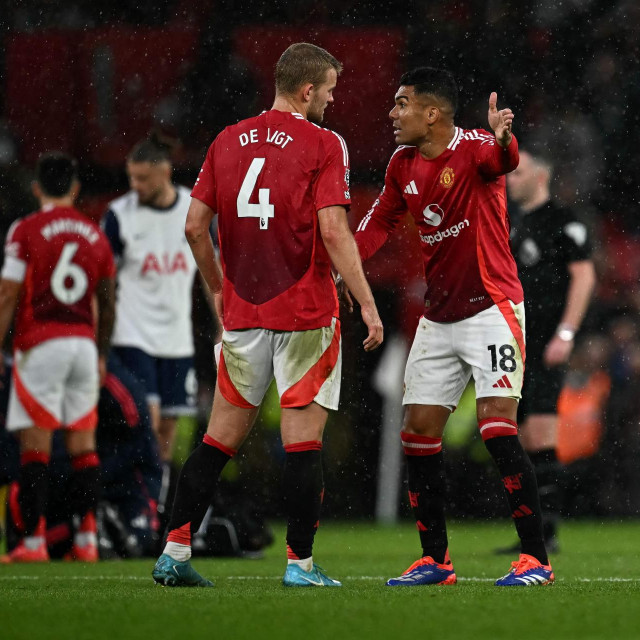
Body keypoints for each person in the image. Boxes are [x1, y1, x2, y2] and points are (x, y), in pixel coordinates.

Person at [152, 42, 383, 588]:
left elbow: (192, 227)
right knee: (303, 444)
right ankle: (299, 565)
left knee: (216, 442)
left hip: (243, 313)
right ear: (307, 89)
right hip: (304, 311)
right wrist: (367, 302)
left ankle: (174, 554)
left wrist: (218, 289)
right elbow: (332, 230)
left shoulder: (226, 139)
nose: (330, 98)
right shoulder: (325, 143)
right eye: (328, 89)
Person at [353, 67, 553, 586]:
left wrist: (507, 139)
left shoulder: (476, 147)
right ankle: (436, 561)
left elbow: (501, 159)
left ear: (431, 112)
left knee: (497, 428)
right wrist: (341, 265)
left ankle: (535, 559)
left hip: (492, 308)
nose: (393, 114)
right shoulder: (402, 164)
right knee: (418, 433)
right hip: (438, 318)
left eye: (402, 104)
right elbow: (378, 223)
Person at [0, 152, 115, 563]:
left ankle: (32, 543)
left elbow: (8, 293)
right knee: (84, 447)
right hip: (84, 345)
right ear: (75, 188)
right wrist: (101, 353)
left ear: (36, 188)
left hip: (41, 344)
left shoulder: (25, 229)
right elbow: (107, 301)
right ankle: (87, 540)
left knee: (36, 449)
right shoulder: (94, 233)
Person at [102, 136, 200, 529]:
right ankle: (135, 509)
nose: (136, 187)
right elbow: (102, 277)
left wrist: (223, 324)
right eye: (132, 178)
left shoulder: (193, 209)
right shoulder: (119, 215)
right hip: (133, 334)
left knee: (168, 429)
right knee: (148, 421)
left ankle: (153, 510)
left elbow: (212, 270)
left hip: (176, 338)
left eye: (143, 178)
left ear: (165, 171)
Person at [500, 150, 595, 552]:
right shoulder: (508, 221)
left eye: (517, 173)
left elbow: (584, 276)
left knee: (540, 430)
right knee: (516, 434)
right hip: (511, 339)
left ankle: (547, 531)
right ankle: (532, 531)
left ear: (541, 176)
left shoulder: (565, 222)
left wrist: (567, 333)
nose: (509, 180)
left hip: (545, 341)